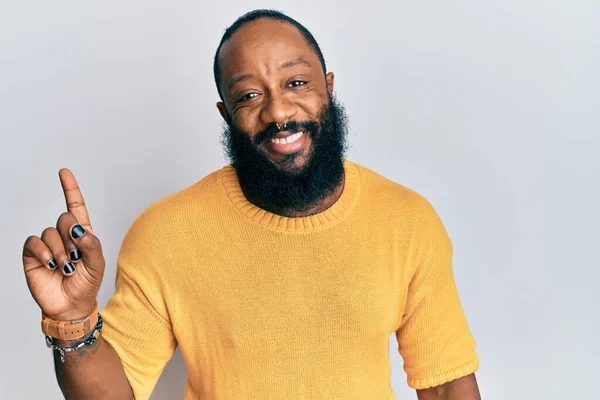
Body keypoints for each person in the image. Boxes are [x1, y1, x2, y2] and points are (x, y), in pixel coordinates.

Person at [22, 9, 481, 400]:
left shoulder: (406, 220)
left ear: (329, 88)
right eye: (248, 95)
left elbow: (444, 386)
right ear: (226, 114)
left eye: (296, 82)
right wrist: (73, 322)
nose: (278, 112)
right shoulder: (167, 232)